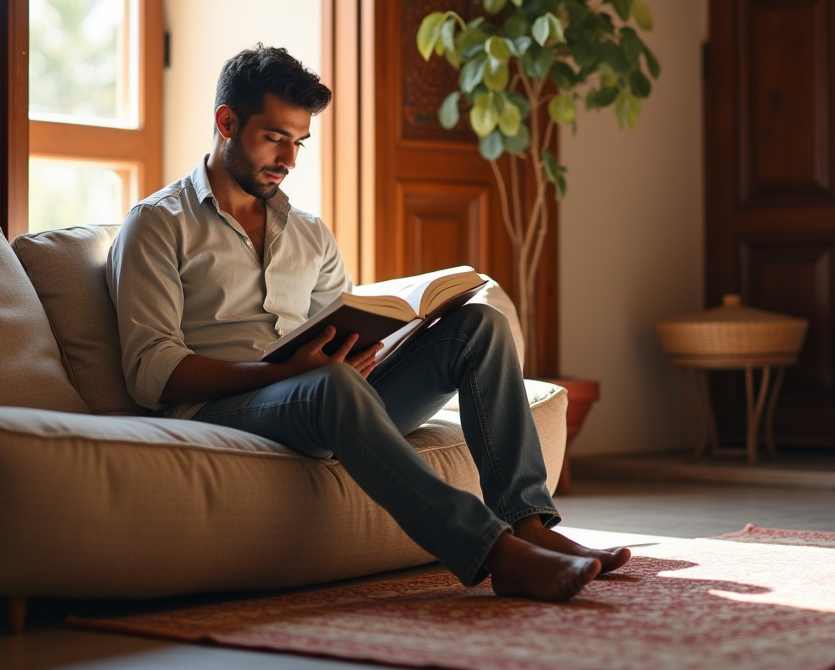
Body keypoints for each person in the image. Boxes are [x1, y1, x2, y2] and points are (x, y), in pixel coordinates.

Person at [106, 45, 629, 601]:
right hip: (229, 410)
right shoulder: (157, 224)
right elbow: (150, 371)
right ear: (226, 121)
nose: (288, 158)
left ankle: (529, 527)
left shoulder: (308, 231)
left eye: (298, 142)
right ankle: (496, 554)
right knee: (328, 383)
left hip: (325, 396)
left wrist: (371, 347)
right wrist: (276, 374)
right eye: (274, 137)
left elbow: (342, 323)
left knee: (480, 325)